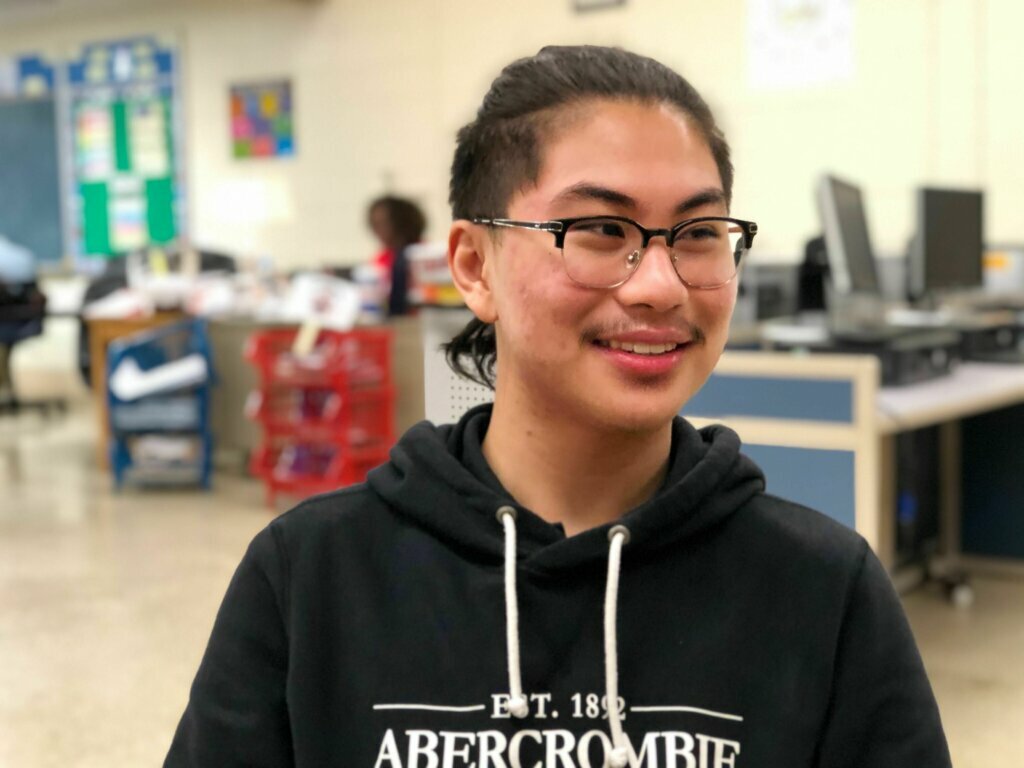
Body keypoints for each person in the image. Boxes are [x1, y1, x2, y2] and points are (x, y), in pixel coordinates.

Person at [165, 46, 950, 767]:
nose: (660, 285)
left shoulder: (822, 588)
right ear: (474, 267)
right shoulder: (313, 578)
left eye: (699, 233)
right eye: (600, 229)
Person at [367, 195, 427, 316]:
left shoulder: (424, 255)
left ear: (402, 223)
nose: (378, 231)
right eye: (375, 224)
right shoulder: (381, 259)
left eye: (384, 223)